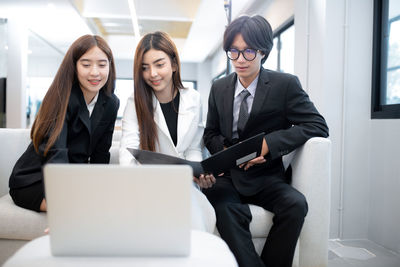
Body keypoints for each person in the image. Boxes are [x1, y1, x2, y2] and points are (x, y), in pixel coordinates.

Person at [202, 15, 329, 267]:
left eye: (248, 52)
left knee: (296, 204)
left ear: (263, 51)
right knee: (226, 209)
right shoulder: (219, 88)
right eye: (234, 52)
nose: (240, 60)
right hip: (228, 177)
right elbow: (210, 134)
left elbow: (318, 125)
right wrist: (227, 151)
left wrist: (269, 144)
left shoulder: (285, 85)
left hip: (266, 177)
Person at [9, 35, 120, 212]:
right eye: (86, 64)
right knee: (81, 211)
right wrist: (62, 202)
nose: (94, 72)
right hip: (34, 179)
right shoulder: (62, 97)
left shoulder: (111, 103)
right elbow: (56, 153)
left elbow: (101, 153)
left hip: (73, 178)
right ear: (74, 67)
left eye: (102, 64)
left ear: (110, 66)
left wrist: (99, 188)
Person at [119, 31, 216, 233]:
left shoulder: (194, 98)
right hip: (147, 183)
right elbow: (128, 151)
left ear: (174, 64)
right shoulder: (134, 102)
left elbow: (192, 149)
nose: (152, 73)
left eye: (159, 64)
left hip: (183, 182)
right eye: (145, 68)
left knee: (194, 223)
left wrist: (198, 171)